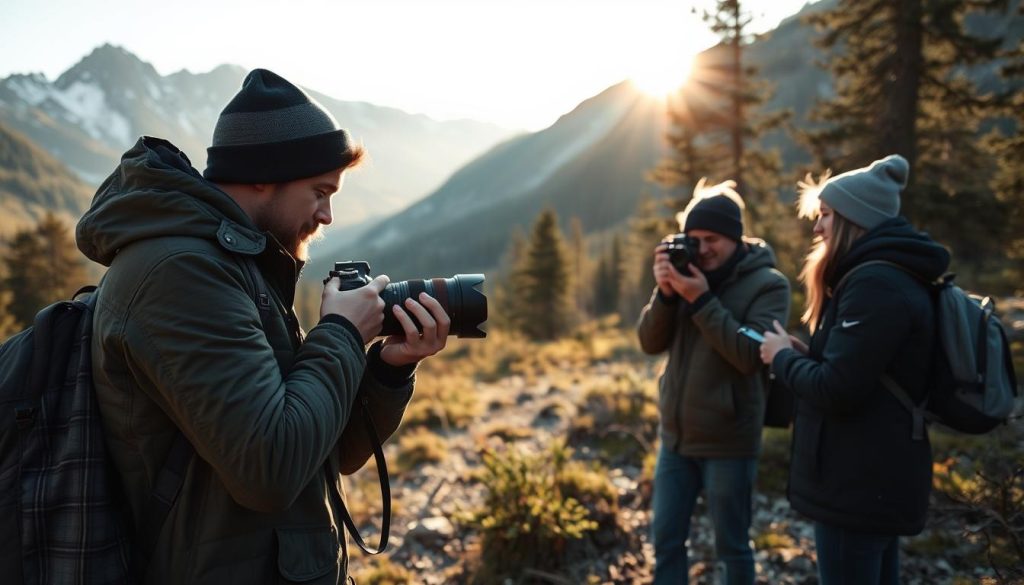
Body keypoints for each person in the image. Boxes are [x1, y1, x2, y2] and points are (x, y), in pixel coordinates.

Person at [76, 69, 449, 584]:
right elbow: (269, 470)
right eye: (320, 192)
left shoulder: (238, 266)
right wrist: (341, 333)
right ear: (264, 175)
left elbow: (325, 451)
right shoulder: (181, 274)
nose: (327, 215)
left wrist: (387, 369)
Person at [759, 155, 950, 585]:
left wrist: (781, 357)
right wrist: (805, 354)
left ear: (852, 219)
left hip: (857, 487)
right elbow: (863, 373)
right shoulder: (886, 277)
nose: (817, 227)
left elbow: (837, 389)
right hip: (873, 477)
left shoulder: (874, 284)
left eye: (825, 215)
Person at [637, 180, 791, 585]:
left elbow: (749, 358)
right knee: (666, 542)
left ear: (735, 238)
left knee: (732, 547)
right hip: (675, 439)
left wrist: (702, 301)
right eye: (693, 240)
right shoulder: (687, 275)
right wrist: (667, 295)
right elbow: (649, 342)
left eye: (712, 239)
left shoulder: (769, 284)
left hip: (729, 442)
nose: (702, 249)